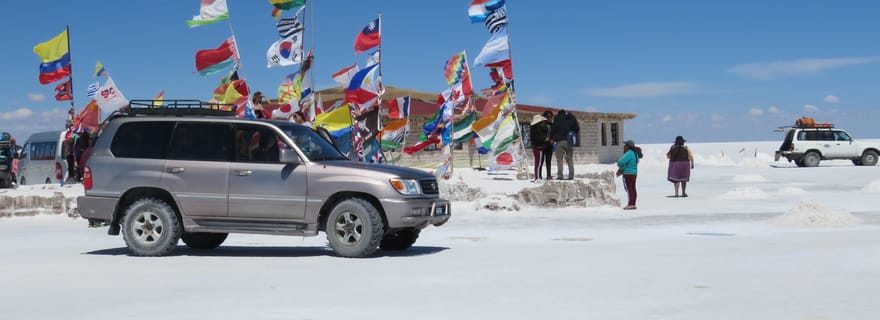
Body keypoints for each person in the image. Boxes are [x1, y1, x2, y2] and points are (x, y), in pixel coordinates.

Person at [551, 109, 579, 180]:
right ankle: (571, 175)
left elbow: (553, 129)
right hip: (569, 141)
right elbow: (577, 128)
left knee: (559, 159)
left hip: (559, 141)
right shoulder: (570, 118)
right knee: (569, 158)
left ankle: (560, 175)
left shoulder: (557, 118)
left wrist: (552, 138)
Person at [617, 140, 642, 210]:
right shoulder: (635, 153)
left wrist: (622, 168)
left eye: (625, 145)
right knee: (633, 188)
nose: (624, 147)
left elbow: (620, 162)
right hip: (634, 173)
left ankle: (631, 204)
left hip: (628, 173)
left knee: (629, 189)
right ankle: (633, 203)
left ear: (628, 146)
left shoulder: (629, 153)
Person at [529, 114, 553, 181]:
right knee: (538, 164)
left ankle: (538, 177)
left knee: (538, 164)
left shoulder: (534, 128)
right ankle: (538, 177)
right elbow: (539, 138)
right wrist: (546, 139)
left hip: (537, 147)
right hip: (538, 147)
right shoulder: (537, 129)